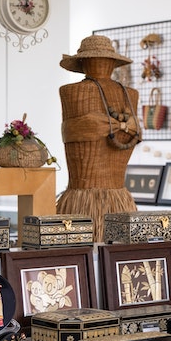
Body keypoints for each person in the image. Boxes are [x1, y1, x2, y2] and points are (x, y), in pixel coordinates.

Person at [57, 35, 141, 242]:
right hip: (87, 203)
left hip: (112, 201)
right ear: (113, 61)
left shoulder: (130, 94)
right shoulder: (71, 92)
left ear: (82, 62)